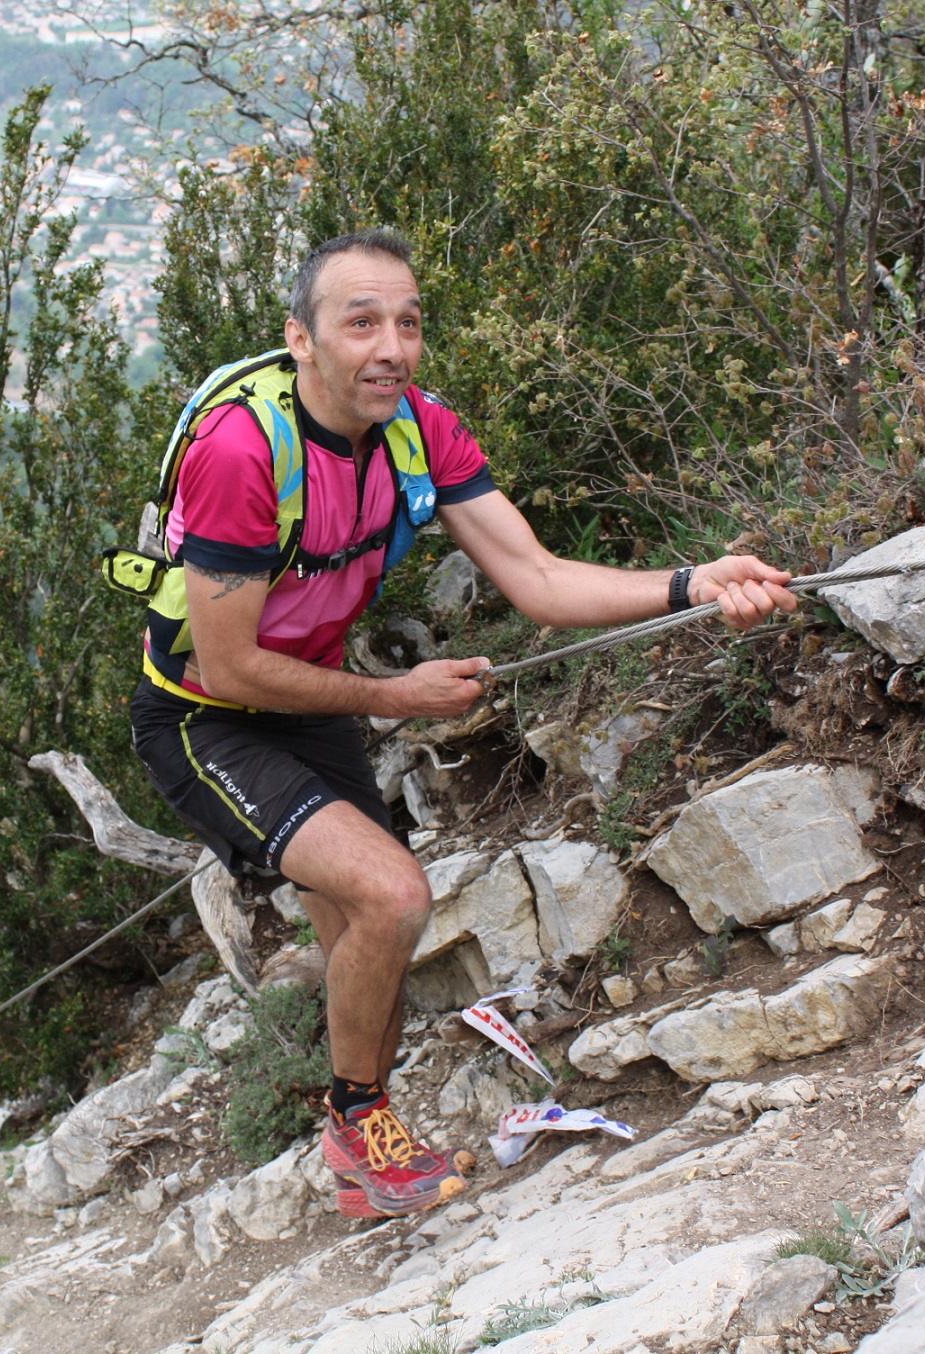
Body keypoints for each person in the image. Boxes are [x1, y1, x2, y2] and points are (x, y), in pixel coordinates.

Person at [128, 228, 798, 1218]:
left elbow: (536, 578)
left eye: (408, 322)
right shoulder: (241, 452)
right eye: (360, 322)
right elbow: (228, 666)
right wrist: (395, 696)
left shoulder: (418, 432)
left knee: (370, 933)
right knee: (395, 896)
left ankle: (365, 1140)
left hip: (308, 700)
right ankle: (355, 1127)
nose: (391, 345)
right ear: (301, 339)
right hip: (206, 718)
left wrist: (693, 583)